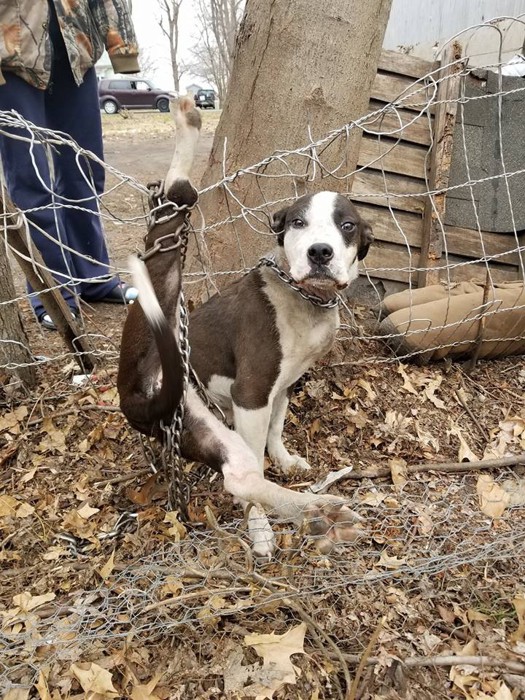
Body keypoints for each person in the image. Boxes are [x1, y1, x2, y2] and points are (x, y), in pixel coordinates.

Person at [0, 0, 140, 330]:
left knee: (85, 169)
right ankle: (53, 291)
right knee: (31, 178)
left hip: (76, 46)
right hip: (12, 50)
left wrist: (123, 51)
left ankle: (93, 275)